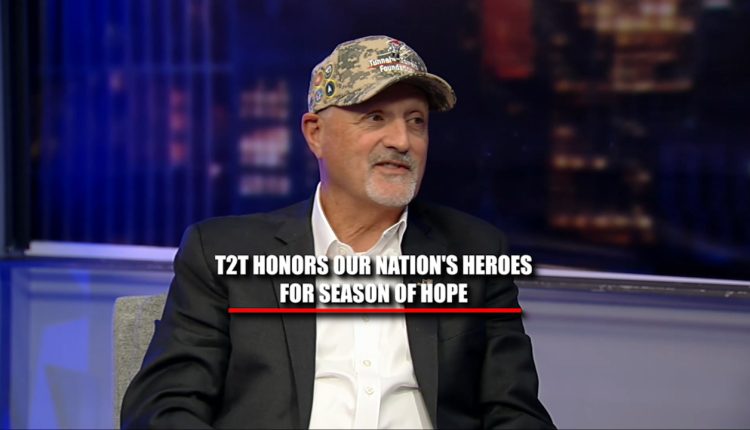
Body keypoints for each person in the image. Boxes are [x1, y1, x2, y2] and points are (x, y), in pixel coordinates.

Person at [121, 35, 554, 429]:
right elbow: (162, 409)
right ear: (316, 134)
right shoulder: (221, 254)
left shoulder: (475, 252)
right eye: (375, 117)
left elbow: (516, 414)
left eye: (416, 121)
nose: (402, 140)